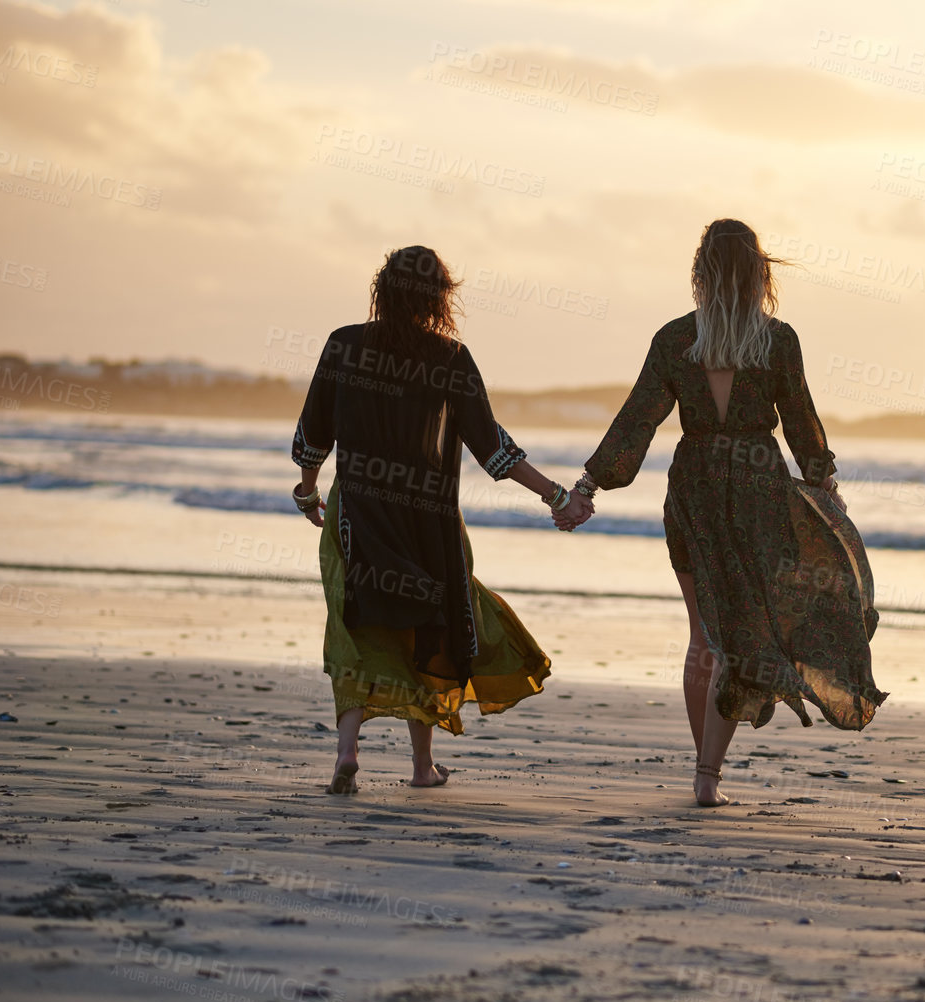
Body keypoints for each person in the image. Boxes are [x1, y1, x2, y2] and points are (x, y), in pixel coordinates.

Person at [555, 219, 885, 806]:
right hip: (758, 489)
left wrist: (590, 485)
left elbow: (638, 421)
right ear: (760, 273)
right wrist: (825, 486)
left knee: (703, 635)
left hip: (695, 490)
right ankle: (708, 773)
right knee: (741, 632)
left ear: (700, 272)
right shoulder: (777, 340)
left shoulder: (676, 338)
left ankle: (705, 771)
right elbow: (804, 426)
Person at [292, 245, 578, 794]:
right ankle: (422, 768)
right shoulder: (450, 356)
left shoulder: (344, 343)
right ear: (440, 298)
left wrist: (308, 494)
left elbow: (313, 435)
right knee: (428, 626)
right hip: (432, 520)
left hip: (359, 514)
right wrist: (556, 495)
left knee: (357, 627)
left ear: (382, 290)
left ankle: (347, 753)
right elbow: (493, 448)